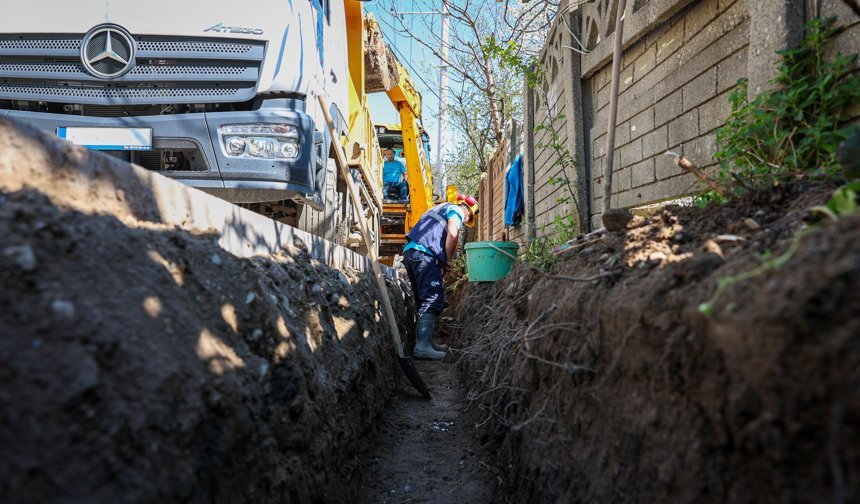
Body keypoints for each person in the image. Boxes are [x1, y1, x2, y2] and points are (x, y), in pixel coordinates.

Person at [403, 194, 479, 360]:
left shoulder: (439, 208)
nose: (464, 222)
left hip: (411, 252)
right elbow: (452, 234)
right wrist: (449, 260)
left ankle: (426, 342)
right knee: (432, 299)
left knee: (423, 300)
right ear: (468, 213)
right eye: (467, 220)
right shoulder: (457, 211)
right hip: (424, 254)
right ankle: (422, 347)